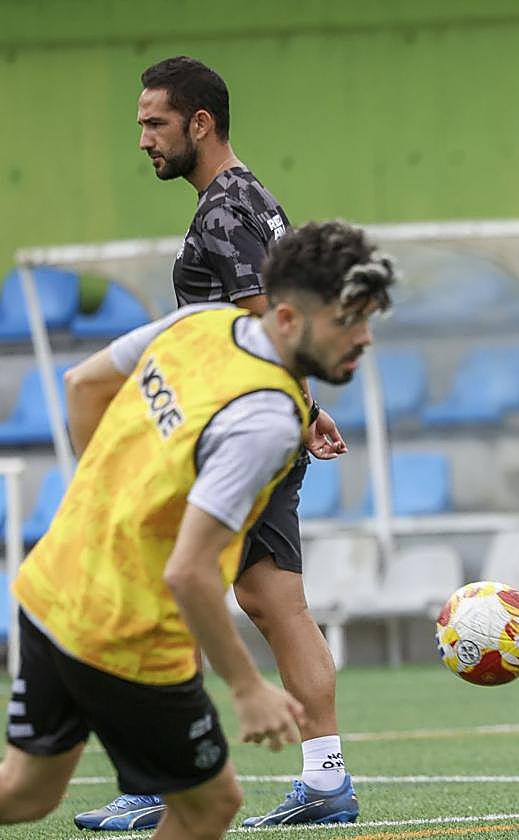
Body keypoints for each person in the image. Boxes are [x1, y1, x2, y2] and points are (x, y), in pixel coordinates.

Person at [0, 221, 395, 838]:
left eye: (368, 318)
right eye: (349, 320)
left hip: (54, 583)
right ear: (288, 318)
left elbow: (83, 385)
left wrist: (101, 510)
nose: (364, 338)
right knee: (209, 805)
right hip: (126, 630)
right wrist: (247, 687)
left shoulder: (200, 323)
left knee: (24, 793)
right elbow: (188, 572)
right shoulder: (266, 418)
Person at [74, 57, 357, 831]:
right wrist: (305, 410)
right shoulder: (253, 198)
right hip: (260, 427)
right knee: (275, 604)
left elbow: (270, 319)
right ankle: (327, 782)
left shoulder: (224, 211)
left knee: (169, 591)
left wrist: (292, 409)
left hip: (231, 434)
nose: (143, 139)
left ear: (200, 123)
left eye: (154, 122)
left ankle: (164, 784)